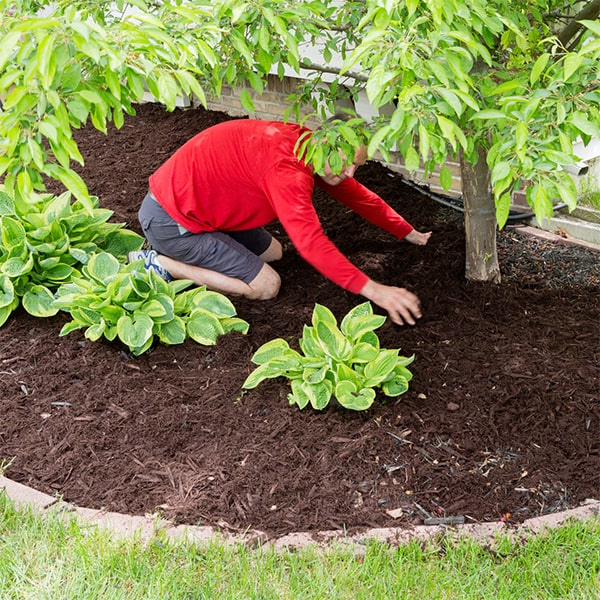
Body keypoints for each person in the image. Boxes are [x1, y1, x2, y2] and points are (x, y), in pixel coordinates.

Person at [128, 117, 432, 326]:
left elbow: (358, 196)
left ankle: (206, 247)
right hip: (172, 220)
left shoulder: (308, 145)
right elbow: (311, 243)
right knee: (266, 285)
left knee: (275, 252)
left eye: (358, 164)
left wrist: (408, 233)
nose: (350, 172)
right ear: (326, 141)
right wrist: (375, 290)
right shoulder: (287, 171)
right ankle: (161, 264)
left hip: (203, 208)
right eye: (347, 161)